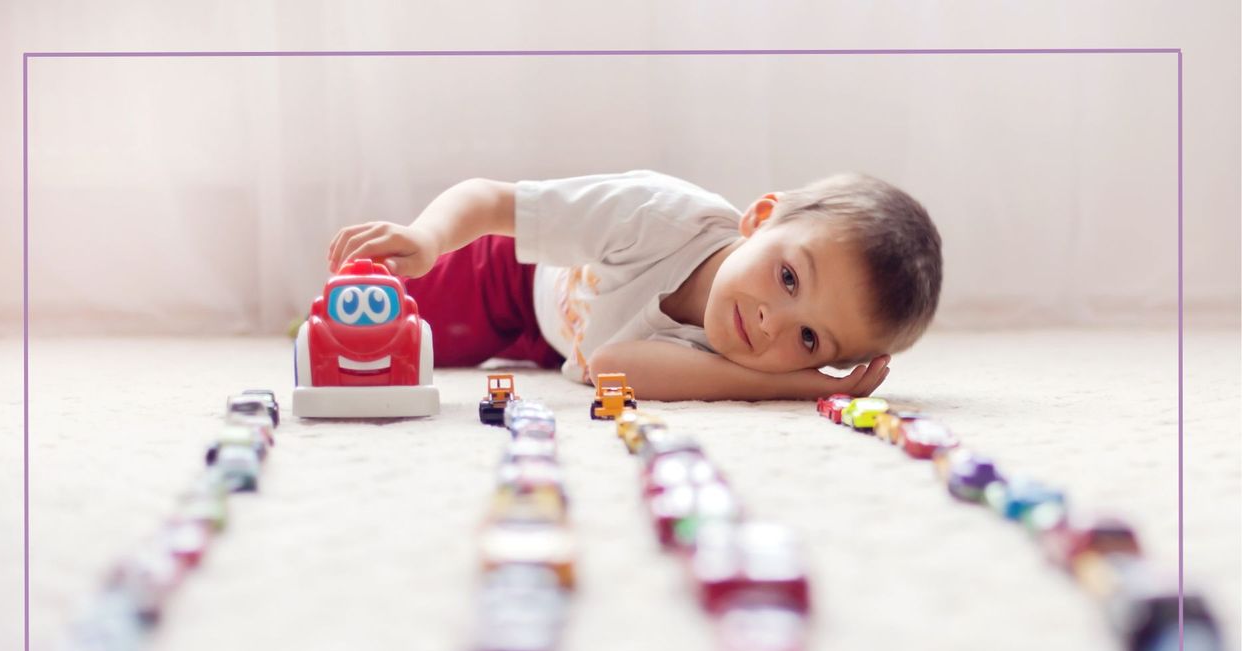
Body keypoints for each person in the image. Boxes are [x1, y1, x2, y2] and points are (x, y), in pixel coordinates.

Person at [325, 170, 942, 402]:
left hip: (565, 343)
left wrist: (786, 385)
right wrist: (429, 237)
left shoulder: (745, 355)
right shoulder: (656, 215)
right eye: (787, 277)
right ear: (759, 219)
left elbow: (612, 364)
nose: (769, 323)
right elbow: (488, 199)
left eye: (810, 339)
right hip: (510, 276)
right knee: (377, 332)